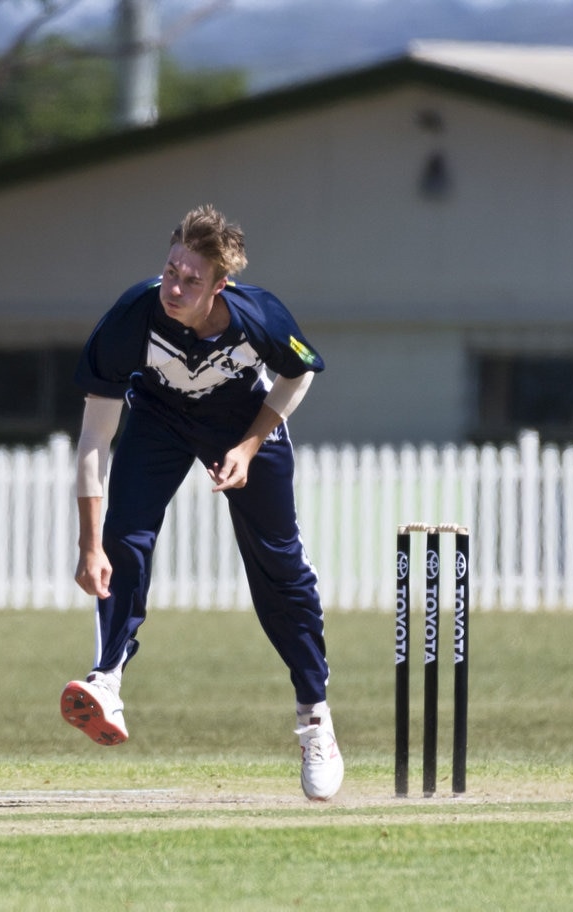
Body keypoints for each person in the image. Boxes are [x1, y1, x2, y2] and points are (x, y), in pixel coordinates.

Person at [59, 204, 343, 801]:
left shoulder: (256, 314)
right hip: (159, 417)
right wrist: (89, 546)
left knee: (278, 568)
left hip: (241, 418)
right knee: (124, 538)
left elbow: (299, 374)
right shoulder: (134, 314)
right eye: (170, 271)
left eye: (191, 280)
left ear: (220, 285)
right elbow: (93, 437)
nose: (174, 288)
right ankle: (106, 678)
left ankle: (314, 718)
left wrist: (248, 446)